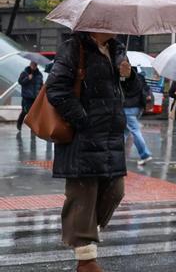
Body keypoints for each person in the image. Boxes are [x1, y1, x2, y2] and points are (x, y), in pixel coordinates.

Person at [46, 32, 128, 272]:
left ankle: (84, 233)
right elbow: (56, 89)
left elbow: (131, 90)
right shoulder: (74, 48)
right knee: (83, 195)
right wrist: (83, 120)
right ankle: (86, 260)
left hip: (111, 137)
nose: (115, 27)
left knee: (115, 191)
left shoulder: (117, 50)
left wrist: (130, 76)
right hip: (83, 137)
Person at [121, 68, 153, 165]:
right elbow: (146, 89)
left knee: (134, 131)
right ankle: (117, 154)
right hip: (138, 107)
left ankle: (145, 154)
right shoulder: (140, 77)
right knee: (124, 132)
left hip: (128, 108)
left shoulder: (124, 80)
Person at [17, 61, 43, 132]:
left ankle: (33, 128)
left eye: (35, 65)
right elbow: (20, 82)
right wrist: (27, 78)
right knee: (24, 112)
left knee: (34, 113)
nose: (34, 66)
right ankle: (19, 123)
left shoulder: (39, 74)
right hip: (27, 97)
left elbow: (40, 85)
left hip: (35, 98)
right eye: (33, 64)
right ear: (30, 64)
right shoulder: (24, 73)